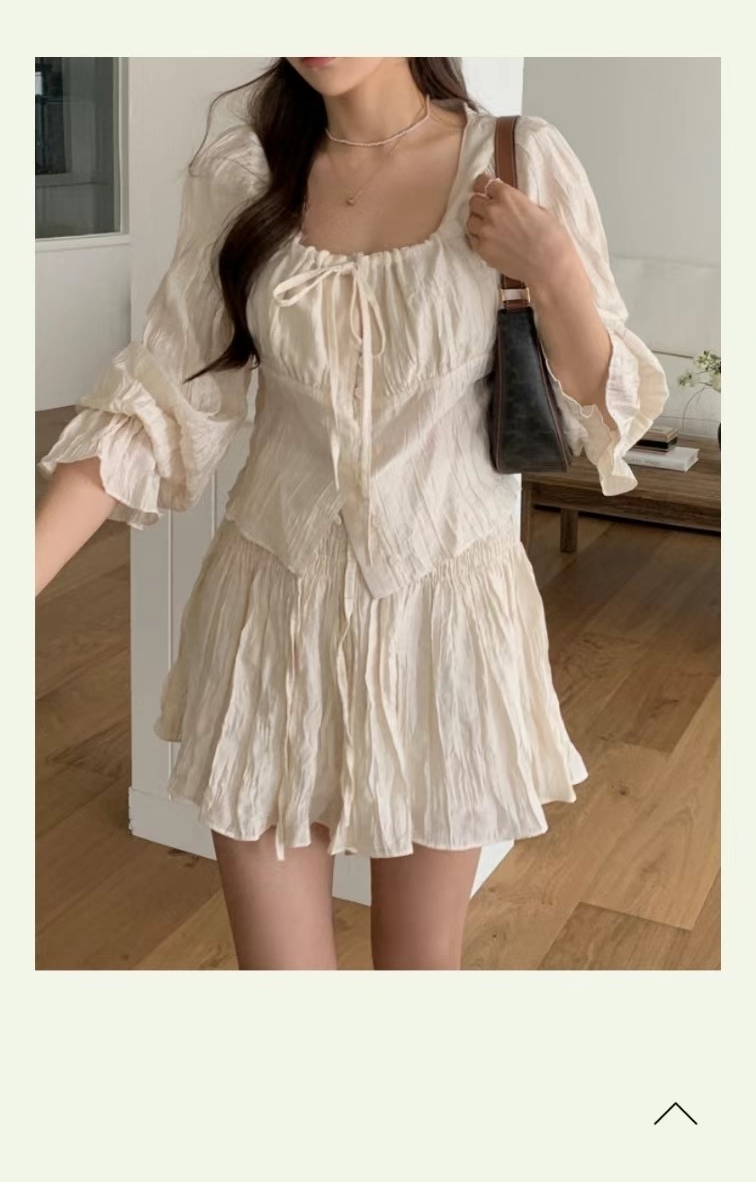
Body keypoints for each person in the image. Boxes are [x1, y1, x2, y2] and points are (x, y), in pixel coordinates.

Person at [35, 56, 669, 971]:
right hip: (270, 620)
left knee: (417, 974)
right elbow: (164, 396)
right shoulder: (244, 172)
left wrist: (554, 269)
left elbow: (602, 408)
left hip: (445, 623)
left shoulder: (516, 157)